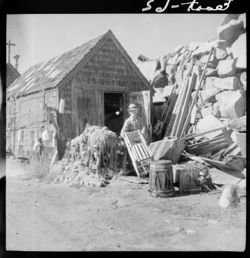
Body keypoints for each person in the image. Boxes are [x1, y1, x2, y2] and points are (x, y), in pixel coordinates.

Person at [120, 103, 147, 175]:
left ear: (137, 111)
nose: (133, 113)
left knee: (142, 154)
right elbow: (123, 132)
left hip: (140, 139)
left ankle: (143, 169)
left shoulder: (140, 119)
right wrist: (125, 135)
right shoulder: (128, 121)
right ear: (129, 112)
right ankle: (131, 170)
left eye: (134, 111)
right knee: (132, 156)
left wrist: (143, 131)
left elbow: (144, 127)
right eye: (132, 111)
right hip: (131, 140)